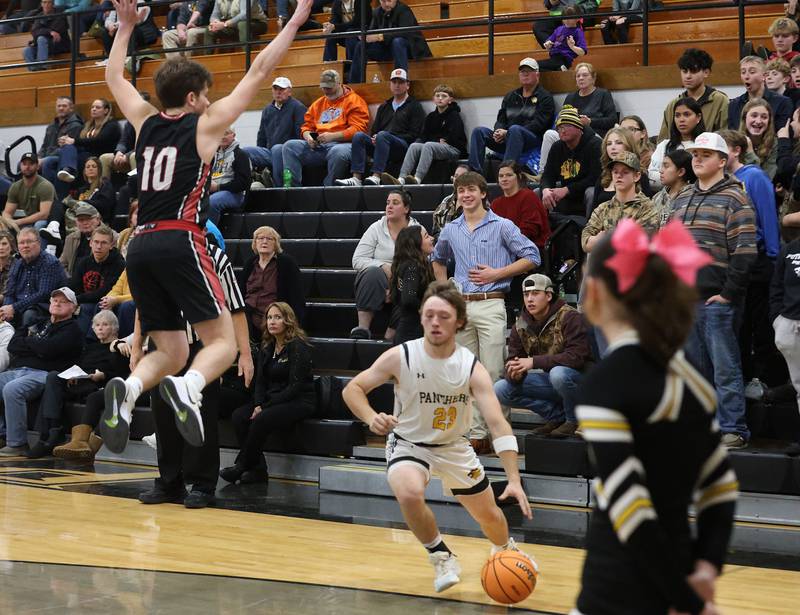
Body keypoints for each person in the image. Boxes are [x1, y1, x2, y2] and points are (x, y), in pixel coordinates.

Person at [98, 0, 313, 454]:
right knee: (222, 345)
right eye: (207, 94)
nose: (212, 101)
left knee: (172, 351)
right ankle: (190, 388)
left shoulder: (144, 121)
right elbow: (258, 72)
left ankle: (130, 392)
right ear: (193, 98)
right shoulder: (205, 125)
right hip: (181, 236)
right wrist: (295, 21)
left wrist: (126, 29)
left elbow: (114, 77)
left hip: (138, 243)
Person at [574, 218, 736, 615]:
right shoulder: (693, 381)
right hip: (678, 575)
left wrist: (684, 599)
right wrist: (704, 570)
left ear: (593, 292)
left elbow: (631, 506)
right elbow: (722, 487)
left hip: (613, 592)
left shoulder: (605, 383)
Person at [342, 281, 535, 593]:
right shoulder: (401, 355)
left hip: (454, 447)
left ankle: (505, 550)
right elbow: (353, 389)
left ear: (459, 320)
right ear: (420, 318)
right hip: (409, 444)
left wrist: (513, 477)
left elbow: (498, 424)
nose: (435, 322)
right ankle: (440, 554)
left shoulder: (470, 367)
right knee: (408, 491)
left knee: (490, 516)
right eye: (429, 315)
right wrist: (370, 417)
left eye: (443, 316)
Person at [135, 240, 253, 509]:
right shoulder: (156, 255)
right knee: (163, 414)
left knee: (200, 413)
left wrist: (245, 353)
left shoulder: (214, 257)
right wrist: (136, 348)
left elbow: (235, 308)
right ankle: (170, 481)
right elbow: (145, 306)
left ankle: (202, 483)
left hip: (204, 344)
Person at [432, 172, 540, 453]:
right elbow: (438, 259)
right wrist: (446, 291)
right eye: (461, 191)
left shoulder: (502, 225)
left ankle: (499, 433)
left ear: (483, 194)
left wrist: (498, 272)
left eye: (470, 190)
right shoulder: (451, 229)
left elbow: (532, 256)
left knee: (493, 371)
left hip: (492, 302)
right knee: (468, 372)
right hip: (462, 305)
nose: (465, 195)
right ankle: (477, 434)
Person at [672, 132, 757, 450]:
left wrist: (728, 294)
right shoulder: (680, 199)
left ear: (723, 161)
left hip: (718, 299)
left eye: (706, 154)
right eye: (695, 154)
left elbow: (746, 250)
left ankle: (733, 427)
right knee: (694, 370)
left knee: (725, 367)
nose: (697, 158)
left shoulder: (736, 197)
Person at [220, 302, 314, 484]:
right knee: (239, 416)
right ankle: (258, 469)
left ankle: (241, 465)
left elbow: (294, 387)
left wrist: (264, 407)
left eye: (278, 317)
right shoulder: (267, 347)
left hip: (299, 400)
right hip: (272, 399)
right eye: (269, 317)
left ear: (288, 321)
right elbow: (261, 382)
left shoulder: (297, 347)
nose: (272, 321)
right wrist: (258, 404)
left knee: (262, 418)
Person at [719, 129, 783, 390]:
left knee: (762, 326)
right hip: (734, 259)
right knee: (741, 327)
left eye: (721, 146)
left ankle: (772, 383)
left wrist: (773, 256)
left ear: (736, 150)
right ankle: (745, 380)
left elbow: (768, 216)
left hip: (759, 258)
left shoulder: (753, 176)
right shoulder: (721, 180)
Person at [494, 273, 591, 438]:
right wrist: (514, 373)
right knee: (501, 388)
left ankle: (574, 419)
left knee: (558, 374)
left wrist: (533, 362)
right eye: (526, 294)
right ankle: (557, 416)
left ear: (548, 295)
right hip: (555, 383)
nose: (529, 299)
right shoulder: (521, 325)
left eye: (535, 293)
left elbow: (577, 357)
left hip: (583, 381)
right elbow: (513, 359)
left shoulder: (570, 316)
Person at [27, 309, 128, 458]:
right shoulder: (90, 347)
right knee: (53, 377)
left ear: (114, 328)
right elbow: (80, 365)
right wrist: (73, 375)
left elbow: (121, 374)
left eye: (105, 324)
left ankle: (49, 439)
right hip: (81, 382)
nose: (100, 327)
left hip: (98, 386)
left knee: (59, 388)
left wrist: (103, 375)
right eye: (97, 325)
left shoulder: (119, 347)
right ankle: (52, 432)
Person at [0, 287, 83, 456]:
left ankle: (17, 443)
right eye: (55, 300)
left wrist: (29, 342)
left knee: (12, 389)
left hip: (43, 373)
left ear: (73, 307)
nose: (57, 303)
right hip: (18, 369)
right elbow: (13, 345)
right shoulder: (38, 321)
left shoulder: (73, 329)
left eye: (63, 301)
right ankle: (1, 434)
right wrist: (35, 346)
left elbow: (49, 349)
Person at [335, 68, 425, 187]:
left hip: (402, 147)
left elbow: (415, 135)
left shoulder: (415, 106)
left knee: (383, 135)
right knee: (359, 136)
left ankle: (376, 176)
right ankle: (356, 178)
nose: (397, 85)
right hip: (381, 142)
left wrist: (386, 136)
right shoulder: (385, 106)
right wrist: (375, 137)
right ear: (390, 84)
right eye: (394, 82)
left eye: (401, 82)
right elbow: (375, 130)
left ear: (407, 85)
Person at [281, 68, 370, 187]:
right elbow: (306, 126)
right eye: (323, 87)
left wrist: (332, 136)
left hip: (343, 144)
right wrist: (309, 137)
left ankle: (328, 189)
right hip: (319, 145)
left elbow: (358, 130)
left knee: (338, 152)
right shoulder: (318, 104)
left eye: (329, 87)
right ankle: (293, 190)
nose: (326, 90)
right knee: (289, 146)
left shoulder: (354, 101)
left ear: (339, 84)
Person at [350, 189, 420, 339]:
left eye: (395, 203)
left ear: (406, 209)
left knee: (410, 287)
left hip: (406, 282)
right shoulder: (376, 228)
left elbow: (421, 264)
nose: (389, 206)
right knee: (372, 273)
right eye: (388, 203)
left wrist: (395, 286)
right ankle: (362, 329)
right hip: (379, 281)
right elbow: (357, 260)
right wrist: (383, 265)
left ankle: (391, 335)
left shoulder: (417, 230)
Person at [469, 58, 555, 174]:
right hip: (507, 137)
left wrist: (508, 132)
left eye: (529, 71)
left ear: (537, 74)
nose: (525, 74)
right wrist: (498, 131)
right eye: (522, 71)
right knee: (479, 132)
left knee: (515, 129)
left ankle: (506, 173)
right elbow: (501, 119)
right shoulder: (510, 96)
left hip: (532, 139)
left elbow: (539, 124)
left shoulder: (545, 97)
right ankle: (474, 174)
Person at [539, 62, 616, 172]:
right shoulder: (570, 97)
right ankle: (543, 172)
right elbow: (561, 119)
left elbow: (612, 120)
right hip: (572, 135)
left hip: (593, 135)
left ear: (593, 78)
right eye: (578, 76)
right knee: (549, 134)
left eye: (585, 75)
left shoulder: (603, 94)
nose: (581, 78)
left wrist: (590, 122)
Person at [385, 84, 466, 186]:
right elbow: (424, 135)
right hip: (436, 145)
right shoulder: (431, 117)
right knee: (414, 146)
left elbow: (456, 137)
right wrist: (434, 140)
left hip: (453, 148)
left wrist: (444, 140)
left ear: (450, 100)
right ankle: (401, 178)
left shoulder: (454, 115)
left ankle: (417, 178)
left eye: (444, 96)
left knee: (428, 145)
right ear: (433, 99)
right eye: (437, 95)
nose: (440, 98)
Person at [237, 225, 306, 340]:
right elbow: (241, 292)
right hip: (248, 318)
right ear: (254, 243)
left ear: (276, 243)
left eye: (269, 239)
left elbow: (297, 297)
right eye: (260, 238)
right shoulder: (250, 263)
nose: (264, 241)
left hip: (274, 319)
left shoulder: (286, 263)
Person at [582, 151, 659, 253]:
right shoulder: (603, 208)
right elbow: (585, 242)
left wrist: (603, 239)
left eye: (625, 172)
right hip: (604, 266)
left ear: (636, 176)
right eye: (615, 172)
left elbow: (642, 243)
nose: (619, 176)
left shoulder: (648, 208)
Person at [45, 99, 121, 199]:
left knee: (71, 151)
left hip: (97, 155)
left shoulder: (112, 125)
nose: (93, 109)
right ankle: (55, 194)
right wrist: (64, 141)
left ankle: (67, 175)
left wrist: (73, 141)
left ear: (106, 110)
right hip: (82, 154)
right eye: (92, 107)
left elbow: (99, 141)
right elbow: (76, 140)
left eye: (97, 107)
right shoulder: (88, 125)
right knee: (49, 161)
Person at [242, 77, 306, 188]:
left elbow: (300, 135)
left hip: (288, 152)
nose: (278, 92)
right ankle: (246, 186)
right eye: (275, 89)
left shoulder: (298, 108)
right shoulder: (267, 109)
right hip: (269, 152)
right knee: (244, 152)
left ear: (289, 91)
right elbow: (261, 135)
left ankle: (277, 189)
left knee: (277, 149)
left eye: (282, 89)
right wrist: (260, 149)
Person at [347, 0, 432, 84]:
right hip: (388, 49)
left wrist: (381, 36)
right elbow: (373, 32)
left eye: (389, 0)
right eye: (383, 1)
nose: (386, 4)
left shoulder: (403, 9)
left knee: (398, 41)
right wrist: (367, 38)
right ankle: (354, 84)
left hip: (409, 49)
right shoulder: (377, 12)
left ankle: (400, 80)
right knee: (361, 45)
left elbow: (405, 32)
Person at [540, 105, 602, 218]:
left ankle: (590, 231)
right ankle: (545, 232)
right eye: (559, 127)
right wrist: (546, 190)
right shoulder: (557, 147)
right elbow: (548, 175)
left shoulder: (595, 145)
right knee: (537, 192)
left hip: (583, 194)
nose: (562, 130)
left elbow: (595, 178)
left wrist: (567, 189)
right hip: (565, 195)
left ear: (579, 127)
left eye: (567, 126)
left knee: (591, 192)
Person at [770, 233, 800, 456]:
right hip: (790, 325)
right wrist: (778, 321)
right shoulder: (790, 249)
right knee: (799, 386)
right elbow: (776, 287)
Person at [0, 227, 66, 327]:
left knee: (29, 315)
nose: (25, 246)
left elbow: (43, 294)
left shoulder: (50, 263)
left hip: (42, 307)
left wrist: (13, 307)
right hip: (19, 306)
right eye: (22, 243)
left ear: (39, 243)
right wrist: (6, 308)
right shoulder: (17, 263)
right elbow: (9, 292)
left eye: (29, 242)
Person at [658, 48, 729, 141]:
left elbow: (726, 139)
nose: (688, 76)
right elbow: (663, 141)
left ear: (706, 72)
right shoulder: (673, 105)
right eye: (684, 71)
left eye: (693, 71)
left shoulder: (720, 101)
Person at [69, 225, 125, 334]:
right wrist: (72, 300)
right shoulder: (83, 262)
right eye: (96, 242)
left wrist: (77, 299)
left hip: (105, 303)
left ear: (111, 245)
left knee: (86, 308)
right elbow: (74, 285)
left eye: (103, 243)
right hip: (83, 300)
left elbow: (105, 291)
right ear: (91, 243)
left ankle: (87, 343)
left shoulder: (119, 264)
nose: (99, 246)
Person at [389, 225, 434, 345]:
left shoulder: (407, 264)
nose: (432, 238)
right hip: (413, 335)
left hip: (408, 331)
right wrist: (430, 310)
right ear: (416, 243)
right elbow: (408, 298)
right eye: (426, 236)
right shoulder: (412, 267)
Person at [591, 126, 653, 213]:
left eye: (618, 143)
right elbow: (592, 212)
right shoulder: (604, 176)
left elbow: (648, 211)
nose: (613, 147)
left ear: (628, 145)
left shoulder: (640, 176)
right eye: (609, 144)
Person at [492, 160, 550, 250]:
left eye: (509, 175)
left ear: (518, 176)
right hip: (504, 250)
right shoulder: (496, 204)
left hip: (531, 249)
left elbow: (530, 230)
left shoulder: (528, 196)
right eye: (501, 176)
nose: (504, 179)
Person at [648, 97, 705, 189]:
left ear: (698, 117)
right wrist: (676, 180)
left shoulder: (705, 145)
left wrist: (673, 178)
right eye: (677, 115)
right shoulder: (665, 146)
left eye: (686, 114)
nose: (681, 120)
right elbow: (652, 178)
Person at [728, 56, 792, 132]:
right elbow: (732, 135)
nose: (746, 76)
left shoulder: (782, 102)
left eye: (752, 72)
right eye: (743, 72)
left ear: (764, 76)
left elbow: (782, 133)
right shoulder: (734, 104)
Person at [207, 127, 250, 225]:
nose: (222, 136)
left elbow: (243, 183)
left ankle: (210, 235)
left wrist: (218, 187)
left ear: (233, 136)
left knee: (212, 202)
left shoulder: (240, 155)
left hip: (235, 194)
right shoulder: (213, 155)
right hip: (215, 191)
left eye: (226, 133)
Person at [2, 152, 54, 231]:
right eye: (24, 164)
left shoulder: (45, 185)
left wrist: (19, 222)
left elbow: (44, 214)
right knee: (5, 225)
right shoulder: (15, 186)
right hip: (29, 220)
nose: (27, 167)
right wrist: (9, 221)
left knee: (39, 224)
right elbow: (7, 212)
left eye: (31, 164)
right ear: (20, 165)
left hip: (48, 220)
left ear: (37, 166)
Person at [59, 203, 111, 276]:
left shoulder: (111, 237)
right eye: (81, 220)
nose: (85, 223)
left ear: (98, 219)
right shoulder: (71, 238)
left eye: (89, 219)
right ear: (76, 222)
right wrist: (69, 280)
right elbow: (62, 264)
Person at [651, 149, 695, 228]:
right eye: (662, 166)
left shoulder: (692, 198)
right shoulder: (657, 198)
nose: (661, 171)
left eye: (666, 166)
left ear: (681, 172)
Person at [22, 0, 70, 71]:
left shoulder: (60, 14)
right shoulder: (39, 16)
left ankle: (42, 66)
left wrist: (44, 32)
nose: (46, 5)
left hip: (59, 44)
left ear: (53, 4)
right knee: (27, 50)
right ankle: (34, 70)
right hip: (44, 45)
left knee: (41, 38)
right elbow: (34, 31)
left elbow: (57, 29)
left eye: (49, 2)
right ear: (41, 4)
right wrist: (49, 31)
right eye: (44, 2)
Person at [203, 0, 268, 52]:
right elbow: (215, 14)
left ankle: (247, 56)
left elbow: (244, 15)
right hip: (233, 25)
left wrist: (225, 24)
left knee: (242, 24)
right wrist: (215, 22)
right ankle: (207, 60)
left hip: (256, 22)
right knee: (210, 29)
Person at [38, 97, 84, 169]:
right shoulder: (51, 126)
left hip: (62, 158)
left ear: (71, 108)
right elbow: (44, 146)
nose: (61, 108)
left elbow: (65, 149)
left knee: (47, 162)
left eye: (64, 106)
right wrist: (38, 158)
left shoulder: (76, 125)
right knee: (24, 164)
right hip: (47, 156)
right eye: (59, 106)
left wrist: (44, 159)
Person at [738, 98, 778, 180]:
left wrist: (750, 152)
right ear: (744, 118)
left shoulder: (774, 144)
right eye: (754, 115)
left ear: (769, 121)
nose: (758, 121)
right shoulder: (734, 141)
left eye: (764, 117)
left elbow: (764, 179)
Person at [539, 6, 586, 72]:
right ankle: (560, 69)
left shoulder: (578, 32)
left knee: (535, 65)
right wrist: (547, 45)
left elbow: (582, 52)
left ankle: (561, 67)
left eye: (569, 18)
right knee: (536, 69)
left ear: (577, 18)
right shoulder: (559, 29)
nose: (566, 20)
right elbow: (549, 44)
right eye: (564, 17)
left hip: (565, 58)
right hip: (554, 58)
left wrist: (572, 47)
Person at [431, 163, 470, 238]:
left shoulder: (475, 200)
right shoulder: (446, 201)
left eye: (462, 176)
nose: (458, 179)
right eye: (456, 176)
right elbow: (435, 229)